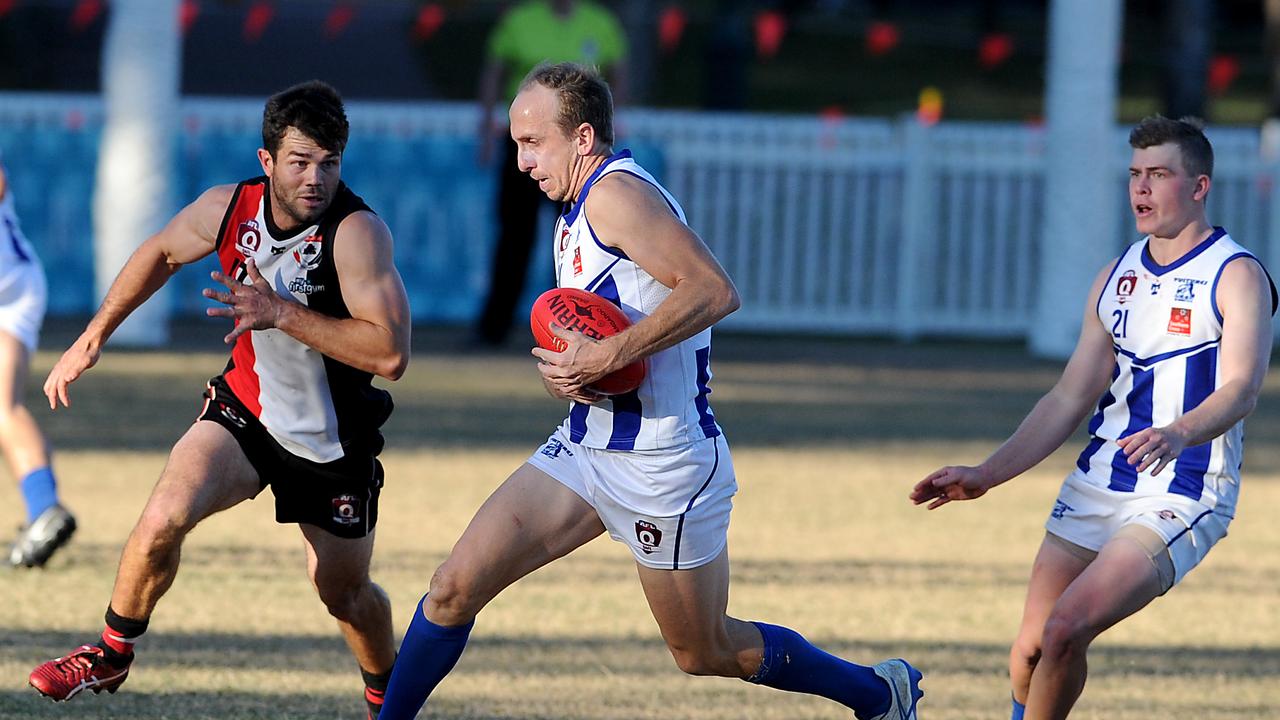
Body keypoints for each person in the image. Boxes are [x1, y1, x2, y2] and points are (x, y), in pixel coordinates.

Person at [379, 62, 924, 720]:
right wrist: (574, 370)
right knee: (452, 588)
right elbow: (610, 330)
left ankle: (877, 694)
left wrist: (605, 354)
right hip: (587, 449)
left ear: (582, 139)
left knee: (704, 650)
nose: (519, 161)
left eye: (531, 143)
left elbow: (714, 290)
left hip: (662, 463)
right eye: (515, 142)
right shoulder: (575, 207)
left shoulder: (616, 197)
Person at [27, 81, 411, 720]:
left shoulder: (357, 234)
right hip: (246, 411)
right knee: (162, 517)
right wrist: (93, 336)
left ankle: (388, 699)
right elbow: (160, 252)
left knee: (343, 593)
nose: (316, 178)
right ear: (267, 162)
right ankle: (111, 651)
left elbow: (390, 355)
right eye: (300, 161)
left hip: (331, 443)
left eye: (329, 162)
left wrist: (280, 313)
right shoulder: (229, 208)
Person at [911, 116, 1275, 720]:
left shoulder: (1236, 274)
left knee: (1066, 629)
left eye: (1159, 174)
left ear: (1200, 186)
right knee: (1029, 652)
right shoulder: (1117, 276)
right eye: (1135, 174)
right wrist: (987, 473)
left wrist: (1177, 431)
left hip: (1182, 492)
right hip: (1098, 481)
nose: (1141, 189)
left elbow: (1242, 388)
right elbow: (1068, 397)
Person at [471, 0, 628, 348]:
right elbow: (494, 73)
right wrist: (486, 129)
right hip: (528, 143)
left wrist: (614, 123)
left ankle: (573, 327)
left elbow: (617, 75)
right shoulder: (520, 19)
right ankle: (494, 328)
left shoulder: (601, 22)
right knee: (514, 238)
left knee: (579, 240)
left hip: (575, 152)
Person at [0, 155, 77, 568]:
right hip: (17, 284)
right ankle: (41, 512)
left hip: (10, 292)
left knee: (2, 408)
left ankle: (45, 512)